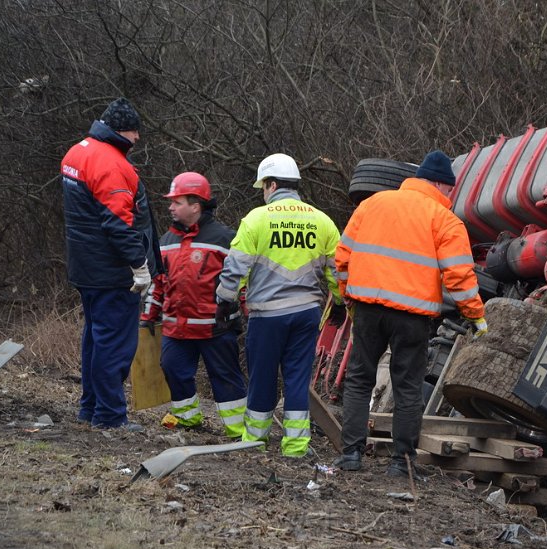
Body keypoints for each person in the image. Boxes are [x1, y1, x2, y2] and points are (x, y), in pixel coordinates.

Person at [331, 150, 487, 479]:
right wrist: (476, 317)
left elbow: (342, 257)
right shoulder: (446, 221)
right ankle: (402, 462)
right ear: (441, 185)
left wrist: (348, 297)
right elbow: (459, 276)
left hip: (368, 308)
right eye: (450, 190)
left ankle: (350, 455)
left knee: (359, 379)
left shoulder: (371, 204)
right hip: (413, 317)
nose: (450, 196)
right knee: (407, 386)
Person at [215, 153, 342, 458]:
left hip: (268, 315)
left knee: (262, 376)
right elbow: (339, 269)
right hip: (307, 313)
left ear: (271, 185)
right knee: (297, 378)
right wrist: (339, 301)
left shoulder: (257, 219)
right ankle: (296, 446)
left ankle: (256, 440)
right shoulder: (322, 221)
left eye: (263, 186)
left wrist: (225, 299)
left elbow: (235, 268)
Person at [61, 97, 162, 431]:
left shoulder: (78, 152)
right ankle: (110, 416)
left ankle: (89, 409)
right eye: (135, 135)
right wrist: (138, 265)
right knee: (115, 345)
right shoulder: (111, 164)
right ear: (123, 131)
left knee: (94, 338)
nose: (136, 143)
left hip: (85, 266)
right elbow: (119, 224)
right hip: (111, 271)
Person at [140, 172, 248, 437]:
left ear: (196, 205)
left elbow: (243, 281)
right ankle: (188, 420)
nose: (171, 207)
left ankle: (238, 431)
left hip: (216, 328)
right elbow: (158, 283)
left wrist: (245, 313)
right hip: (176, 329)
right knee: (173, 369)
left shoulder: (225, 238)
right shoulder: (165, 241)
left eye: (177, 202)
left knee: (226, 379)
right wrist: (147, 316)